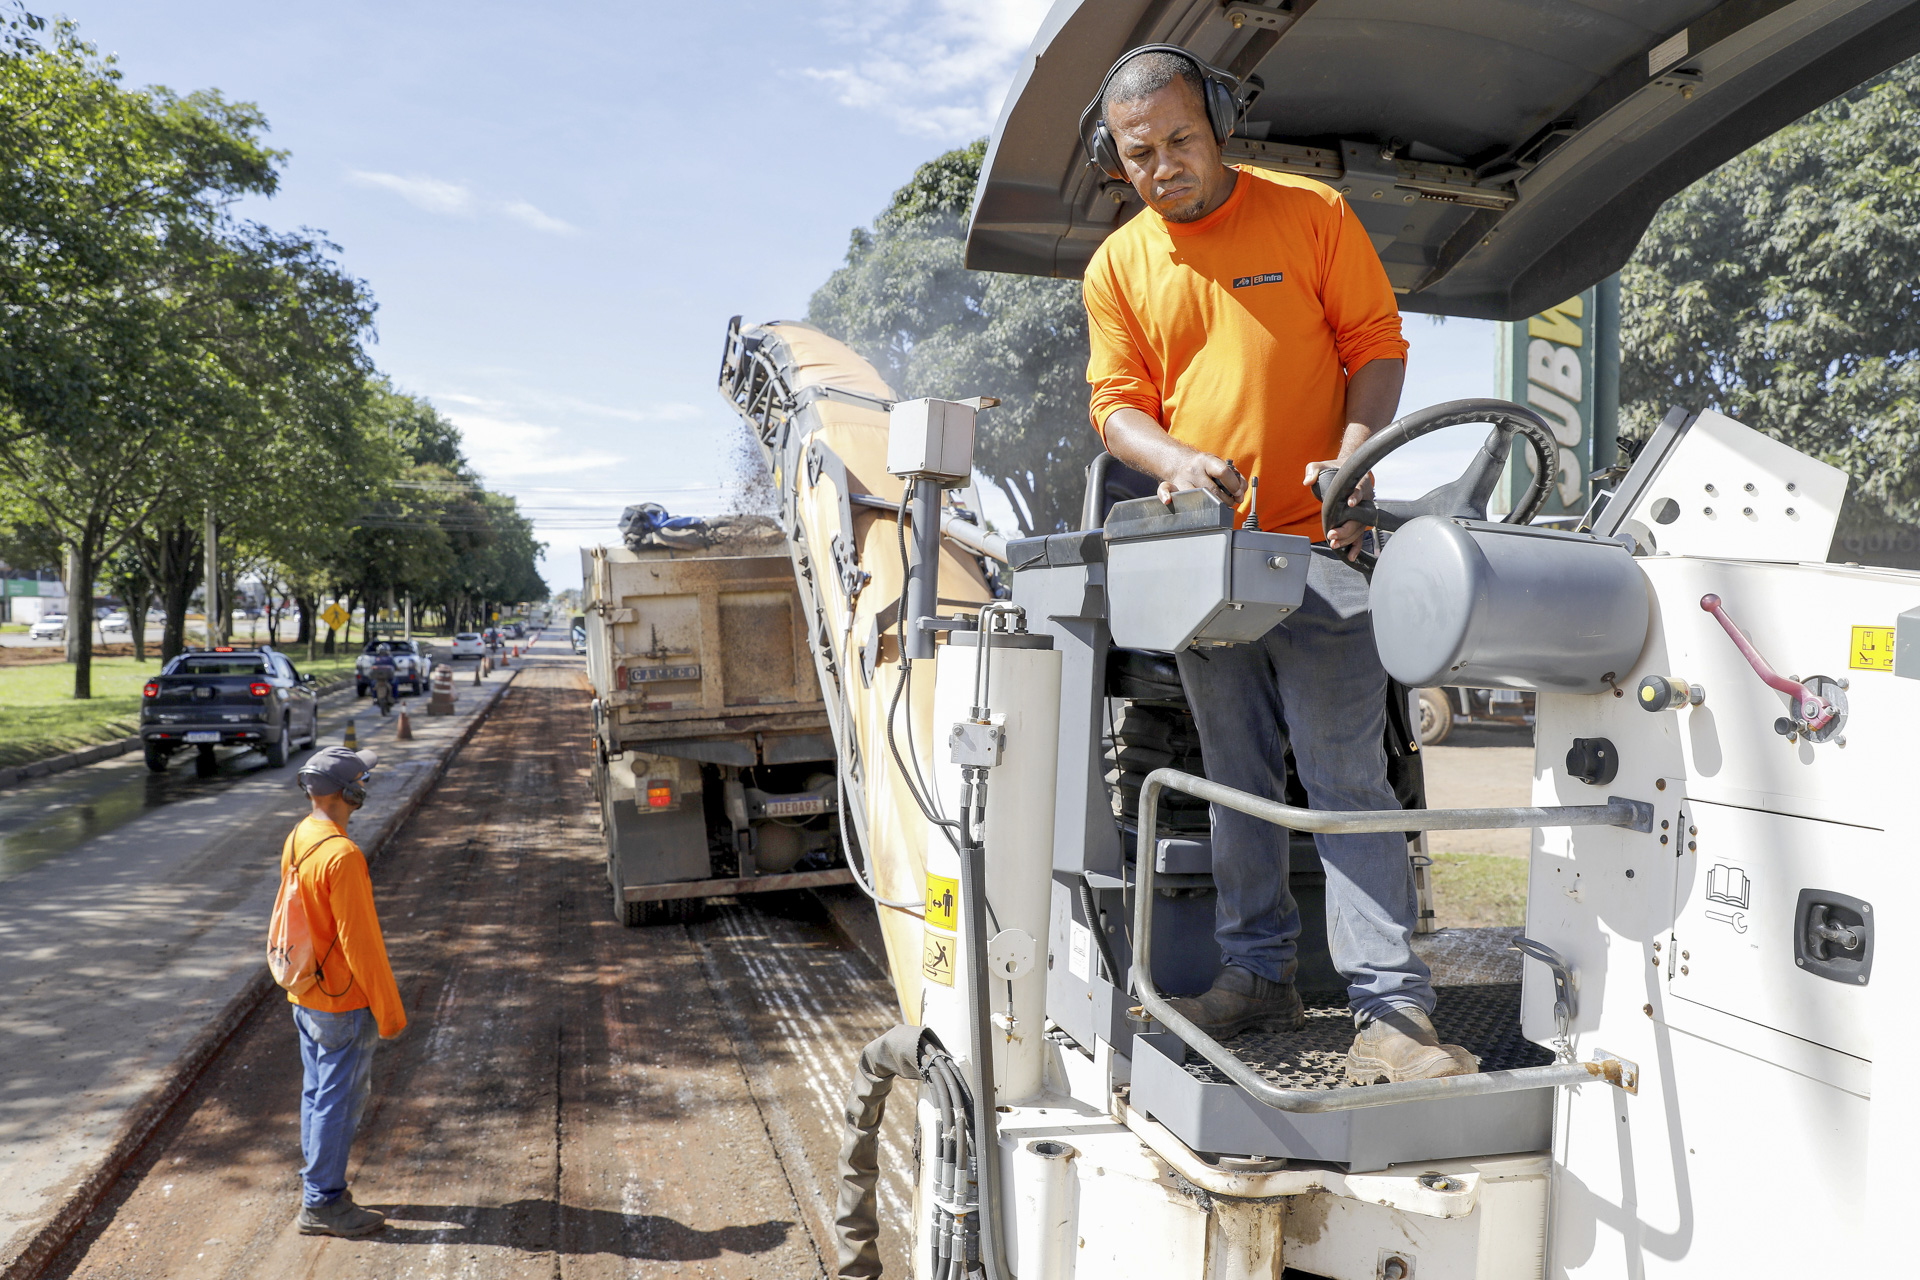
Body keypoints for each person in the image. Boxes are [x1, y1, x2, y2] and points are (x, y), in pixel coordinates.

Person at [1080, 46, 1476, 1082]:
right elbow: (1115, 403)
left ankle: (1393, 1012)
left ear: (1216, 122)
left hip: (1321, 546)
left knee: (1346, 772)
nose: (1163, 165)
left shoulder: (1309, 215)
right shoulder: (1118, 266)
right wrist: (1172, 458)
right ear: (1115, 161)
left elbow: (1375, 341)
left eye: (1180, 140)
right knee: (1235, 777)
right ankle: (1256, 973)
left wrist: (1355, 459)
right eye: (1140, 154)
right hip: (1208, 565)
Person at [282, 745, 406, 1236]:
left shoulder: (301, 836)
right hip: (343, 1002)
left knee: (317, 1094)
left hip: (307, 994)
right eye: (363, 780)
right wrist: (389, 1010)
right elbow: (362, 945)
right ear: (349, 792)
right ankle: (323, 1203)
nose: (366, 787)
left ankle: (318, 1186)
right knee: (339, 1099)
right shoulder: (343, 855)